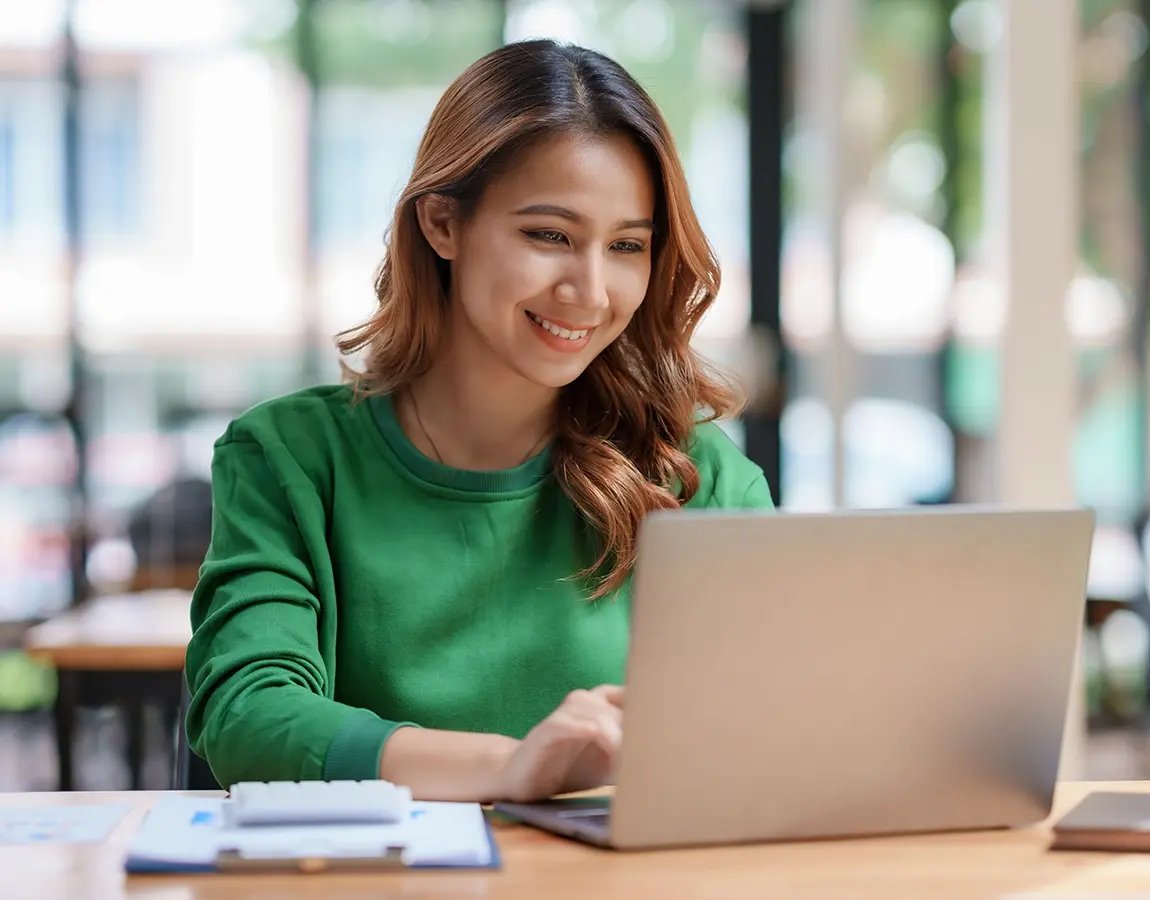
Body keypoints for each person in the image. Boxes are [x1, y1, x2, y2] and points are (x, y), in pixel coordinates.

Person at [185, 39, 773, 803]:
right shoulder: (289, 457)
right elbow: (247, 717)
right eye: (550, 235)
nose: (590, 291)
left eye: (627, 246)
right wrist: (512, 767)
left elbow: (768, 726)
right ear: (442, 225)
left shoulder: (698, 473)